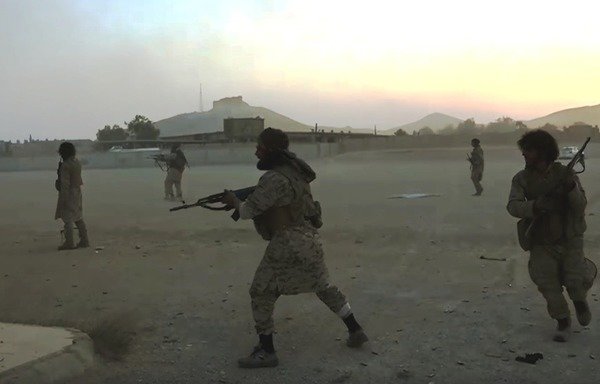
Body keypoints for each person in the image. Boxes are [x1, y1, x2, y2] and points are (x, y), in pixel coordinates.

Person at [222, 128, 368, 368]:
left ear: (270, 150)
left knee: (261, 291)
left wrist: (233, 201)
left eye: (260, 146)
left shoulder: (273, 178)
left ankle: (266, 351)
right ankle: (355, 329)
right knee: (323, 286)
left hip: (287, 243)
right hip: (309, 238)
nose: (256, 151)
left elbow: (247, 212)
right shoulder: (295, 173)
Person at [507, 129, 595, 342]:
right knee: (547, 283)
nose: (524, 154)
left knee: (574, 280)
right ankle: (563, 321)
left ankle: (580, 301)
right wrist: (536, 206)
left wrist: (571, 188)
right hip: (541, 239)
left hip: (570, 237)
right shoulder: (521, 179)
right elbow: (513, 206)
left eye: (528, 150)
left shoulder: (565, 175)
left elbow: (581, 205)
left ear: (542, 151)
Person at [55, 142, 89, 250]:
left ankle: (69, 242)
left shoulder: (66, 165)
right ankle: (84, 240)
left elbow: (65, 184)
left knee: (67, 218)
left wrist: (63, 199)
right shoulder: (77, 162)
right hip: (77, 191)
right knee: (78, 217)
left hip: (69, 192)